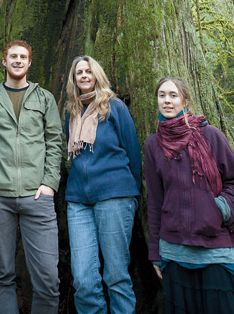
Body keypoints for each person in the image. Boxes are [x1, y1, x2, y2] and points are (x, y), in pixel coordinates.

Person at [0, 40, 62, 314]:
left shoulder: (44, 98)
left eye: (23, 57)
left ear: (30, 63)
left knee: (48, 277)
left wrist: (49, 184)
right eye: (13, 56)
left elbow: (55, 142)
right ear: (4, 61)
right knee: (2, 274)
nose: (18, 60)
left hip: (38, 197)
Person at [145, 76, 234, 313]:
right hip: (174, 252)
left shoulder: (210, 135)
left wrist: (219, 210)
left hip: (215, 249)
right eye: (162, 95)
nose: (167, 101)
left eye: (173, 95)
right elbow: (154, 202)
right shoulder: (153, 144)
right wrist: (155, 254)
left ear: (185, 100)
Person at [65, 55, 141, 314]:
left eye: (89, 71)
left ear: (97, 75)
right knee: (83, 280)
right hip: (78, 201)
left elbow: (132, 151)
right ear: (74, 79)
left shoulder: (114, 107)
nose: (84, 76)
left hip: (114, 195)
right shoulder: (72, 113)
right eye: (79, 73)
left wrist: (131, 194)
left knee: (117, 275)